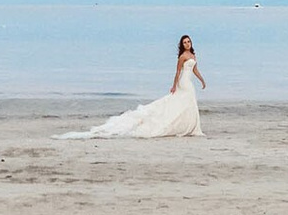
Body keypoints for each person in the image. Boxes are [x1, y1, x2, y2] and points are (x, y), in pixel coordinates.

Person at [58, 35, 207, 138]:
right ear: (182, 45)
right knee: (180, 102)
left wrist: (202, 80)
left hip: (190, 83)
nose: (187, 44)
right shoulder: (182, 57)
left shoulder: (193, 56)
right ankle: (182, 125)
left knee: (189, 104)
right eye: (185, 42)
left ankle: (190, 126)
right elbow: (177, 72)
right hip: (183, 83)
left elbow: (195, 70)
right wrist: (174, 86)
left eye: (189, 41)